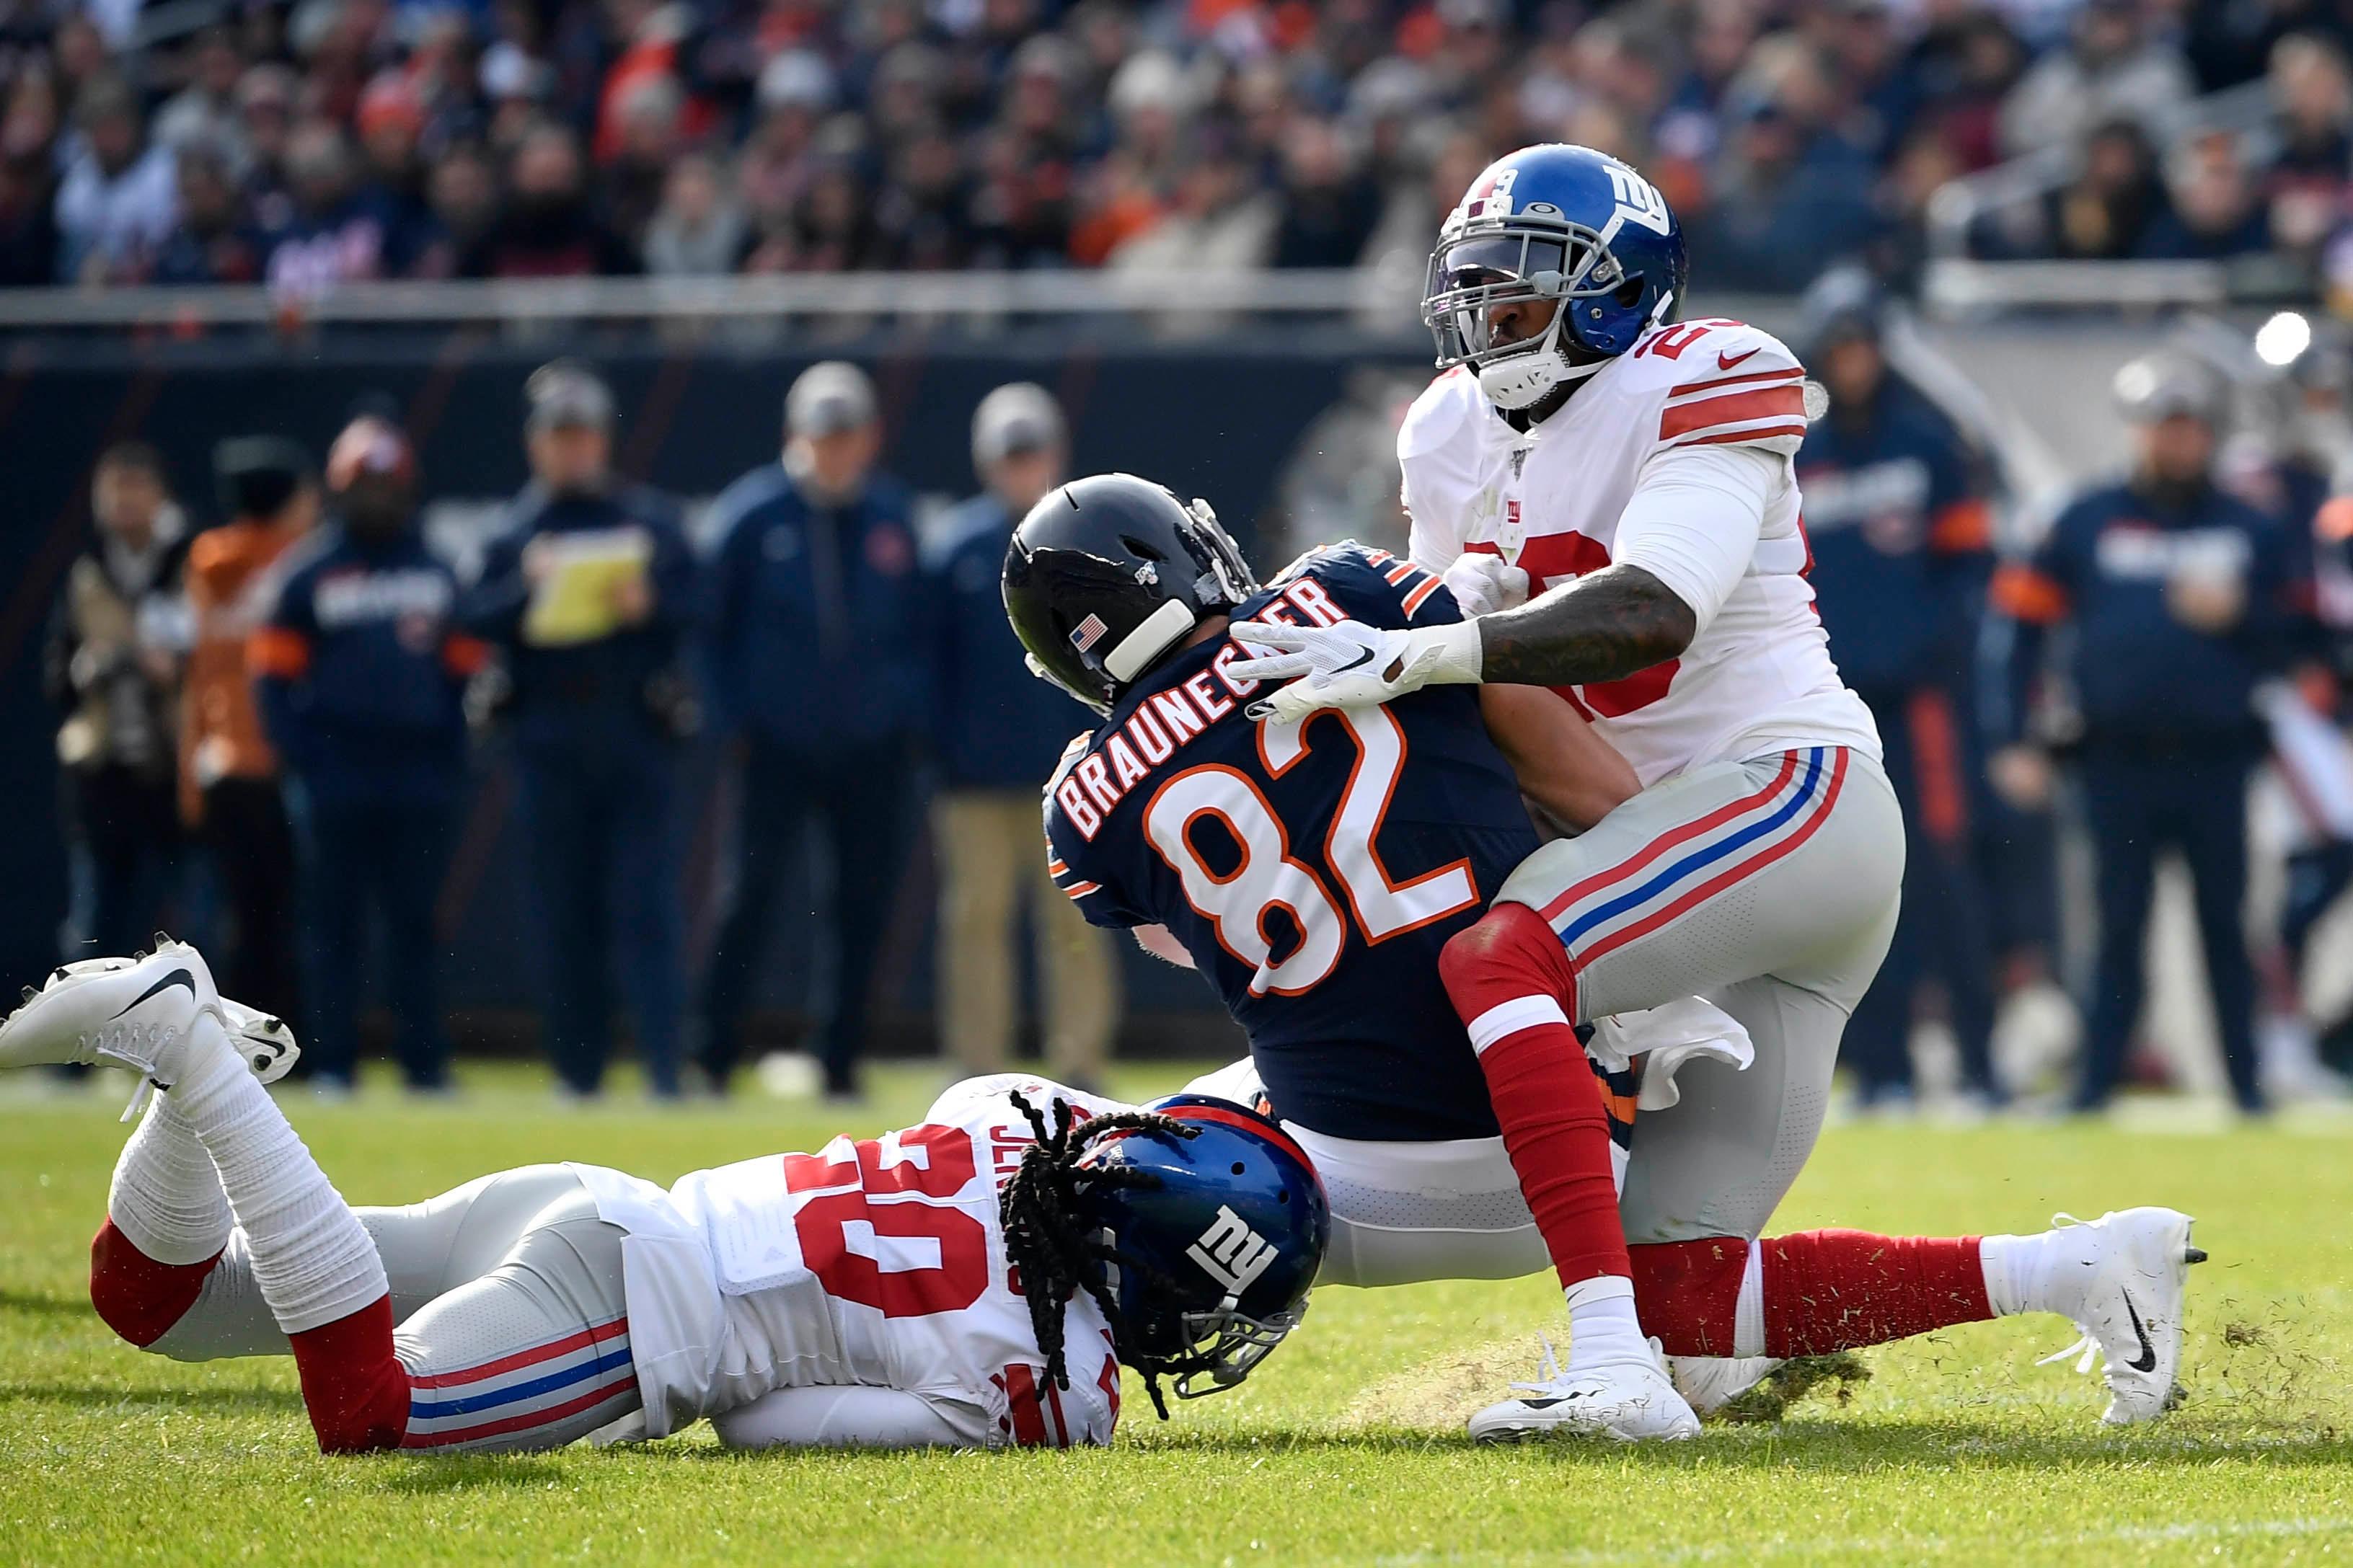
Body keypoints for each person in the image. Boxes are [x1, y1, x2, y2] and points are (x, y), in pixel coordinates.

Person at [1217, 144, 2199, 1434]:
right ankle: (2084, 1270)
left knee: (1500, 963)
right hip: (1666, 854)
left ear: (1615, 292)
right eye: (1474, 297)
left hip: (1788, 798)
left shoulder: (1709, 374)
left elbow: (1650, 613)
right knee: (1684, 1299)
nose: (1485, 326)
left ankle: (1601, 1368)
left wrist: (1429, 646)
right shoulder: (1450, 427)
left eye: (1518, 297)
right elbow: (1447, 644)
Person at [1016, 472, 2204, 1441]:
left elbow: (1197, 951)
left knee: (1060, 1175)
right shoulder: (1349, 591)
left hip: (1359, 1157)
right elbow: (1594, 789)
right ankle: (2072, 1267)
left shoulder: (1082, 804)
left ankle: (973, 1373)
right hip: (1547, 1103)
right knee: (1686, 1295)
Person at [0, 942, 1325, 1453]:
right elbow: (761, 1429)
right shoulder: (1060, 1387)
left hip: (607, 1203)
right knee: (367, 1411)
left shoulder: (1027, 1114)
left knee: (154, 1301)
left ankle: (193, 1070)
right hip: (628, 1312)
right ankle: (187, 1044)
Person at [1986, 353, 2294, 1115]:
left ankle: (2244, 1085)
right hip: (2112, 757)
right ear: (2138, 431)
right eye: (2163, 427)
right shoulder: (2082, 518)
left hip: (2215, 759)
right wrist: (2009, 735)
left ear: (2209, 435)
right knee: (2116, 925)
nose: (2175, 442)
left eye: (2188, 428)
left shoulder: (2247, 525)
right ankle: (2093, 1084)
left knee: (2223, 925)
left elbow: (2302, 635)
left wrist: (2241, 617)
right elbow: (2015, 630)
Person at [1791, 274, 2004, 1110]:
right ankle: (1882, 1070)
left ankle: (1982, 1067)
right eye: (1836, 347)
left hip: (1920, 704)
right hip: (1830, 705)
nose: (1850, 362)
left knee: (1943, 876)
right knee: (1854, 884)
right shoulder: (1794, 454)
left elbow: (1970, 567)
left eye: (1861, 345)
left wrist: (1926, 646)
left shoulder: (1927, 445)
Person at [462, 362, 697, 1100]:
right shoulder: (513, 531)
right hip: (546, 736)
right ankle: (576, 1072)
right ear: (537, 444)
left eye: (584, 435)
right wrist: (522, 589)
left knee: (646, 908)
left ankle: (664, 1070)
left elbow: (698, 608)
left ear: (604, 439)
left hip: (632, 730)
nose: (573, 451)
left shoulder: (647, 520)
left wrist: (648, 605)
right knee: (562, 914)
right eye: (559, 437)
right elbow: (468, 623)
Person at [699, 363, 930, 1104]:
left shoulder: (891, 515)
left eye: (846, 436)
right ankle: (711, 1053)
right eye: (821, 436)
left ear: (869, 437)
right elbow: (708, 632)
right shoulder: (751, 516)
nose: (834, 451)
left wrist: (900, 713)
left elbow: (917, 635)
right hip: (775, 746)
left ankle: (838, 1059)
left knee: (860, 906)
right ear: (794, 436)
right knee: (751, 897)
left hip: (869, 749)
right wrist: (733, 723)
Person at [251, 418, 481, 1093]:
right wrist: (306, 759)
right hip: (337, 777)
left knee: (416, 927)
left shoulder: (437, 569)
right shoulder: (309, 572)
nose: (376, 497)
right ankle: (334, 1066)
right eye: (363, 484)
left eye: (386, 483)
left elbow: (467, 672)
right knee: (332, 930)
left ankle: (424, 1064)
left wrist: (446, 755)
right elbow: (271, 678)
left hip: (418, 779)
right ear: (338, 488)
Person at [927, 384, 1119, 1090]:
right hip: (973, 775)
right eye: (1010, 455)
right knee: (975, 922)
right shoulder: (954, 549)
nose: (1021, 466)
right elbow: (930, 662)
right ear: (987, 462)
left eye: (1031, 452)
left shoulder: (1084, 539)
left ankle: (1080, 1064)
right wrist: (939, 751)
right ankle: (977, 1068)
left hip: (1072, 770)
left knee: (1076, 921)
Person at [182, 437, 315, 1040]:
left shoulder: (209, 559)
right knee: (293, 916)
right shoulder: (297, 558)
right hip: (286, 759)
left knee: (242, 916)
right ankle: (293, 1044)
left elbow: (197, 669)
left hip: (221, 757)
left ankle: (231, 1041)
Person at [47, 443, 190, 967]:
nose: (123, 504)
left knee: (194, 920)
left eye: (135, 489)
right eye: (113, 492)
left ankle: (203, 1043)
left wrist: (176, 668)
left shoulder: (190, 562)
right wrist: (90, 667)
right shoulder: (88, 572)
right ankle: (79, 1046)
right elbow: (56, 675)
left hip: (176, 763)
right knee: (94, 925)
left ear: (160, 495)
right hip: (104, 768)